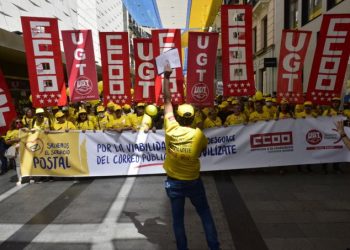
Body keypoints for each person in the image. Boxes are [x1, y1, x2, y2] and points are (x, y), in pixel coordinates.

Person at [162, 65, 220, 250]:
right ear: (193, 117)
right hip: (194, 182)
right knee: (205, 214)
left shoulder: (171, 129)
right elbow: (201, 151)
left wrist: (167, 77)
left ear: (178, 117)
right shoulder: (198, 135)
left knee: (178, 221)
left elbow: (167, 99)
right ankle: (214, 247)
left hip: (174, 182)